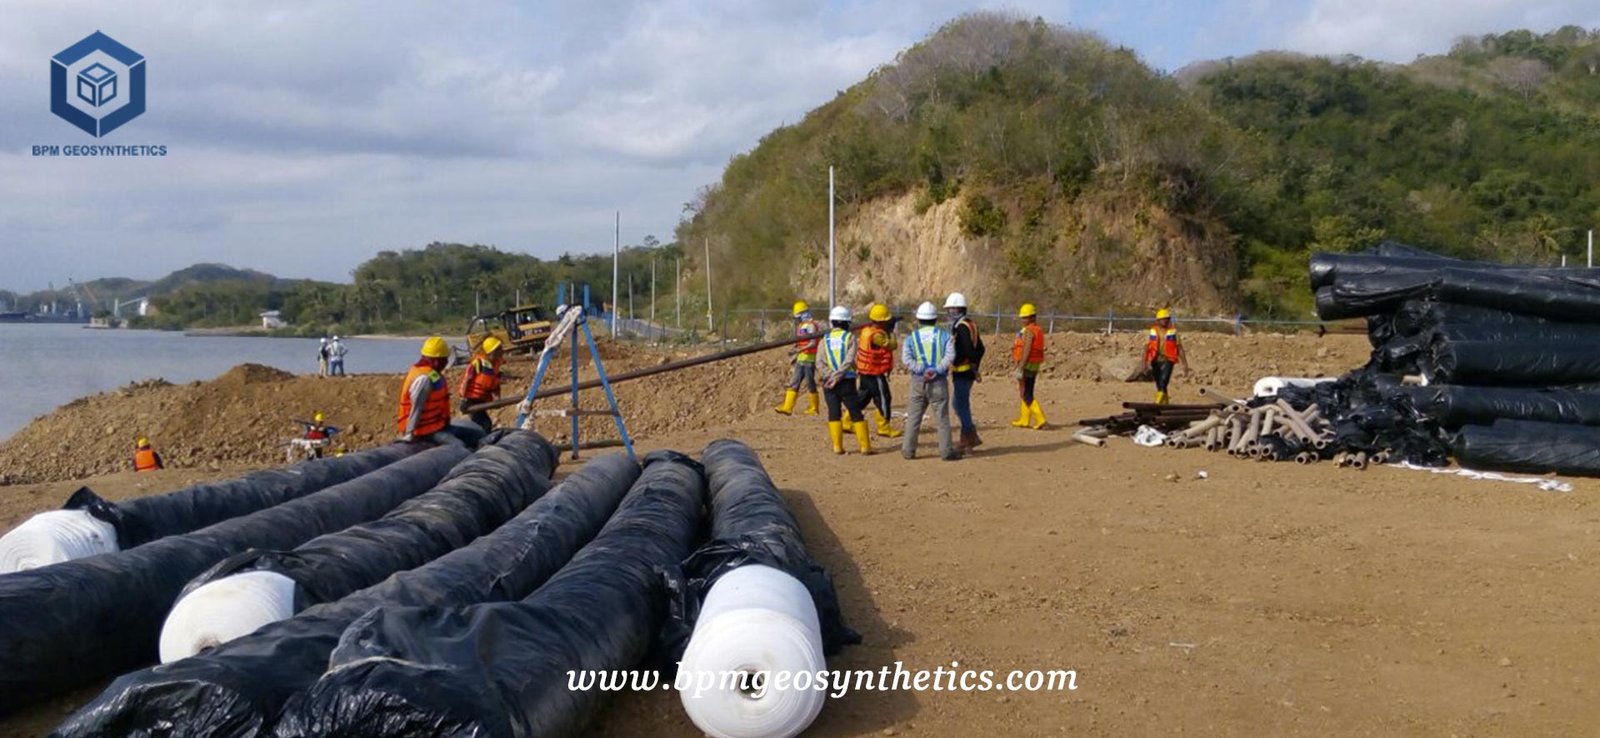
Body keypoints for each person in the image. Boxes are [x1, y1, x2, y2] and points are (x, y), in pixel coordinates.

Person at [901, 301, 959, 461]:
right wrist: (937, 370)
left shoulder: (911, 338)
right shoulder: (945, 336)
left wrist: (921, 370)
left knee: (913, 418)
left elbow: (906, 359)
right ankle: (946, 451)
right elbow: (950, 357)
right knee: (942, 418)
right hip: (938, 381)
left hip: (918, 382)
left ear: (919, 319)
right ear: (935, 319)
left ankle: (908, 451)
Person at [816, 306, 874, 455]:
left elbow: (819, 362)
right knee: (855, 412)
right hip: (846, 381)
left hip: (828, 382)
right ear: (846, 323)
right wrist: (839, 375)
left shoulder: (825, 340)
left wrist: (830, 375)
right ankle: (865, 447)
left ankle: (837, 447)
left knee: (834, 413)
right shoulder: (850, 338)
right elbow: (850, 360)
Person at [945, 292, 985, 451]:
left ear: (956, 309)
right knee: (961, 404)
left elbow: (968, 348)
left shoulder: (961, 327)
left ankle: (969, 437)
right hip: (968, 371)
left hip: (962, 371)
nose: (948, 313)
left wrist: (966, 361)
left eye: (950, 310)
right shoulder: (970, 323)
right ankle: (968, 437)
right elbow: (981, 348)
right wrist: (975, 364)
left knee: (960, 405)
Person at [856, 304, 901, 438]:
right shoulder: (877, 336)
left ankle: (848, 419)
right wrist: (891, 331)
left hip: (865, 371)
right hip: (874, 372)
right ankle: (883, 426)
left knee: (863, 398)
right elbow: (892, 345)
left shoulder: (866, 331)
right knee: (883, 398)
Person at [397, 336, 452, 442]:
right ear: (436, 361)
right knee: (457, 445)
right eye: (444, 359)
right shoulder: (423, 379)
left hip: (436, 426)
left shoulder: (432, 374)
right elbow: (417, 406)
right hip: (423, 432)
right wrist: (410, 433)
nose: (446, 363)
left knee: (474, 434)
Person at [774, 300, 821, 416]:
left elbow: (813, 342)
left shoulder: (811, 326)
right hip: (801, 358)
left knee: (810, 383)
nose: (797, 319)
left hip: (809, 359)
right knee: (794, 381)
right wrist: (795, 348)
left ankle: (814, 408)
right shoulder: (801, 326)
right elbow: (801, 341)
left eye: (798, 316)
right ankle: (787, 407)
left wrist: (799, 350)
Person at [1010, 303, 1047, 429]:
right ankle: (1024, 419)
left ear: (1032, 317)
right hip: (1034, 364)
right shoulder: (1037, 329)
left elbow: (1026, 348)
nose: (1023, 320)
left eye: (1025, 317)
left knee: (1026, 393)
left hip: (1027, 364)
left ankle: (1040, 418)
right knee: (1026, 391)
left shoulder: (1029, 331)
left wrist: (1020, 366)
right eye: (1022, 317)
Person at [459, 336, 506, 432]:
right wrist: (463, 399)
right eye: (498, 350)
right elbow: (466, 381)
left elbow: (495, 386)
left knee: (485, 424)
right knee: (485, 424)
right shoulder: (478, 364)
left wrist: (497, 399)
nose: (501, 352)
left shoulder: (494, 367)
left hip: (482, 400)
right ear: (491, 352)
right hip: (471, 400)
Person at [1144, 308, 1189, 404]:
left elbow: (1179, 348)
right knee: (1159, 384)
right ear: (1158, 321)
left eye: (1167, 319)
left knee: (1164, 381)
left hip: (1169, 359)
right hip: (1155, 359)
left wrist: (1185, 364)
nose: (1165, 321)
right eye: (1163, 319)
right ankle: (1165, 403)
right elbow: (1147, 347)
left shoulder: (1173, 332)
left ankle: (1157, 403)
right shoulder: (1152, 331)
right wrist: (1144, 362)